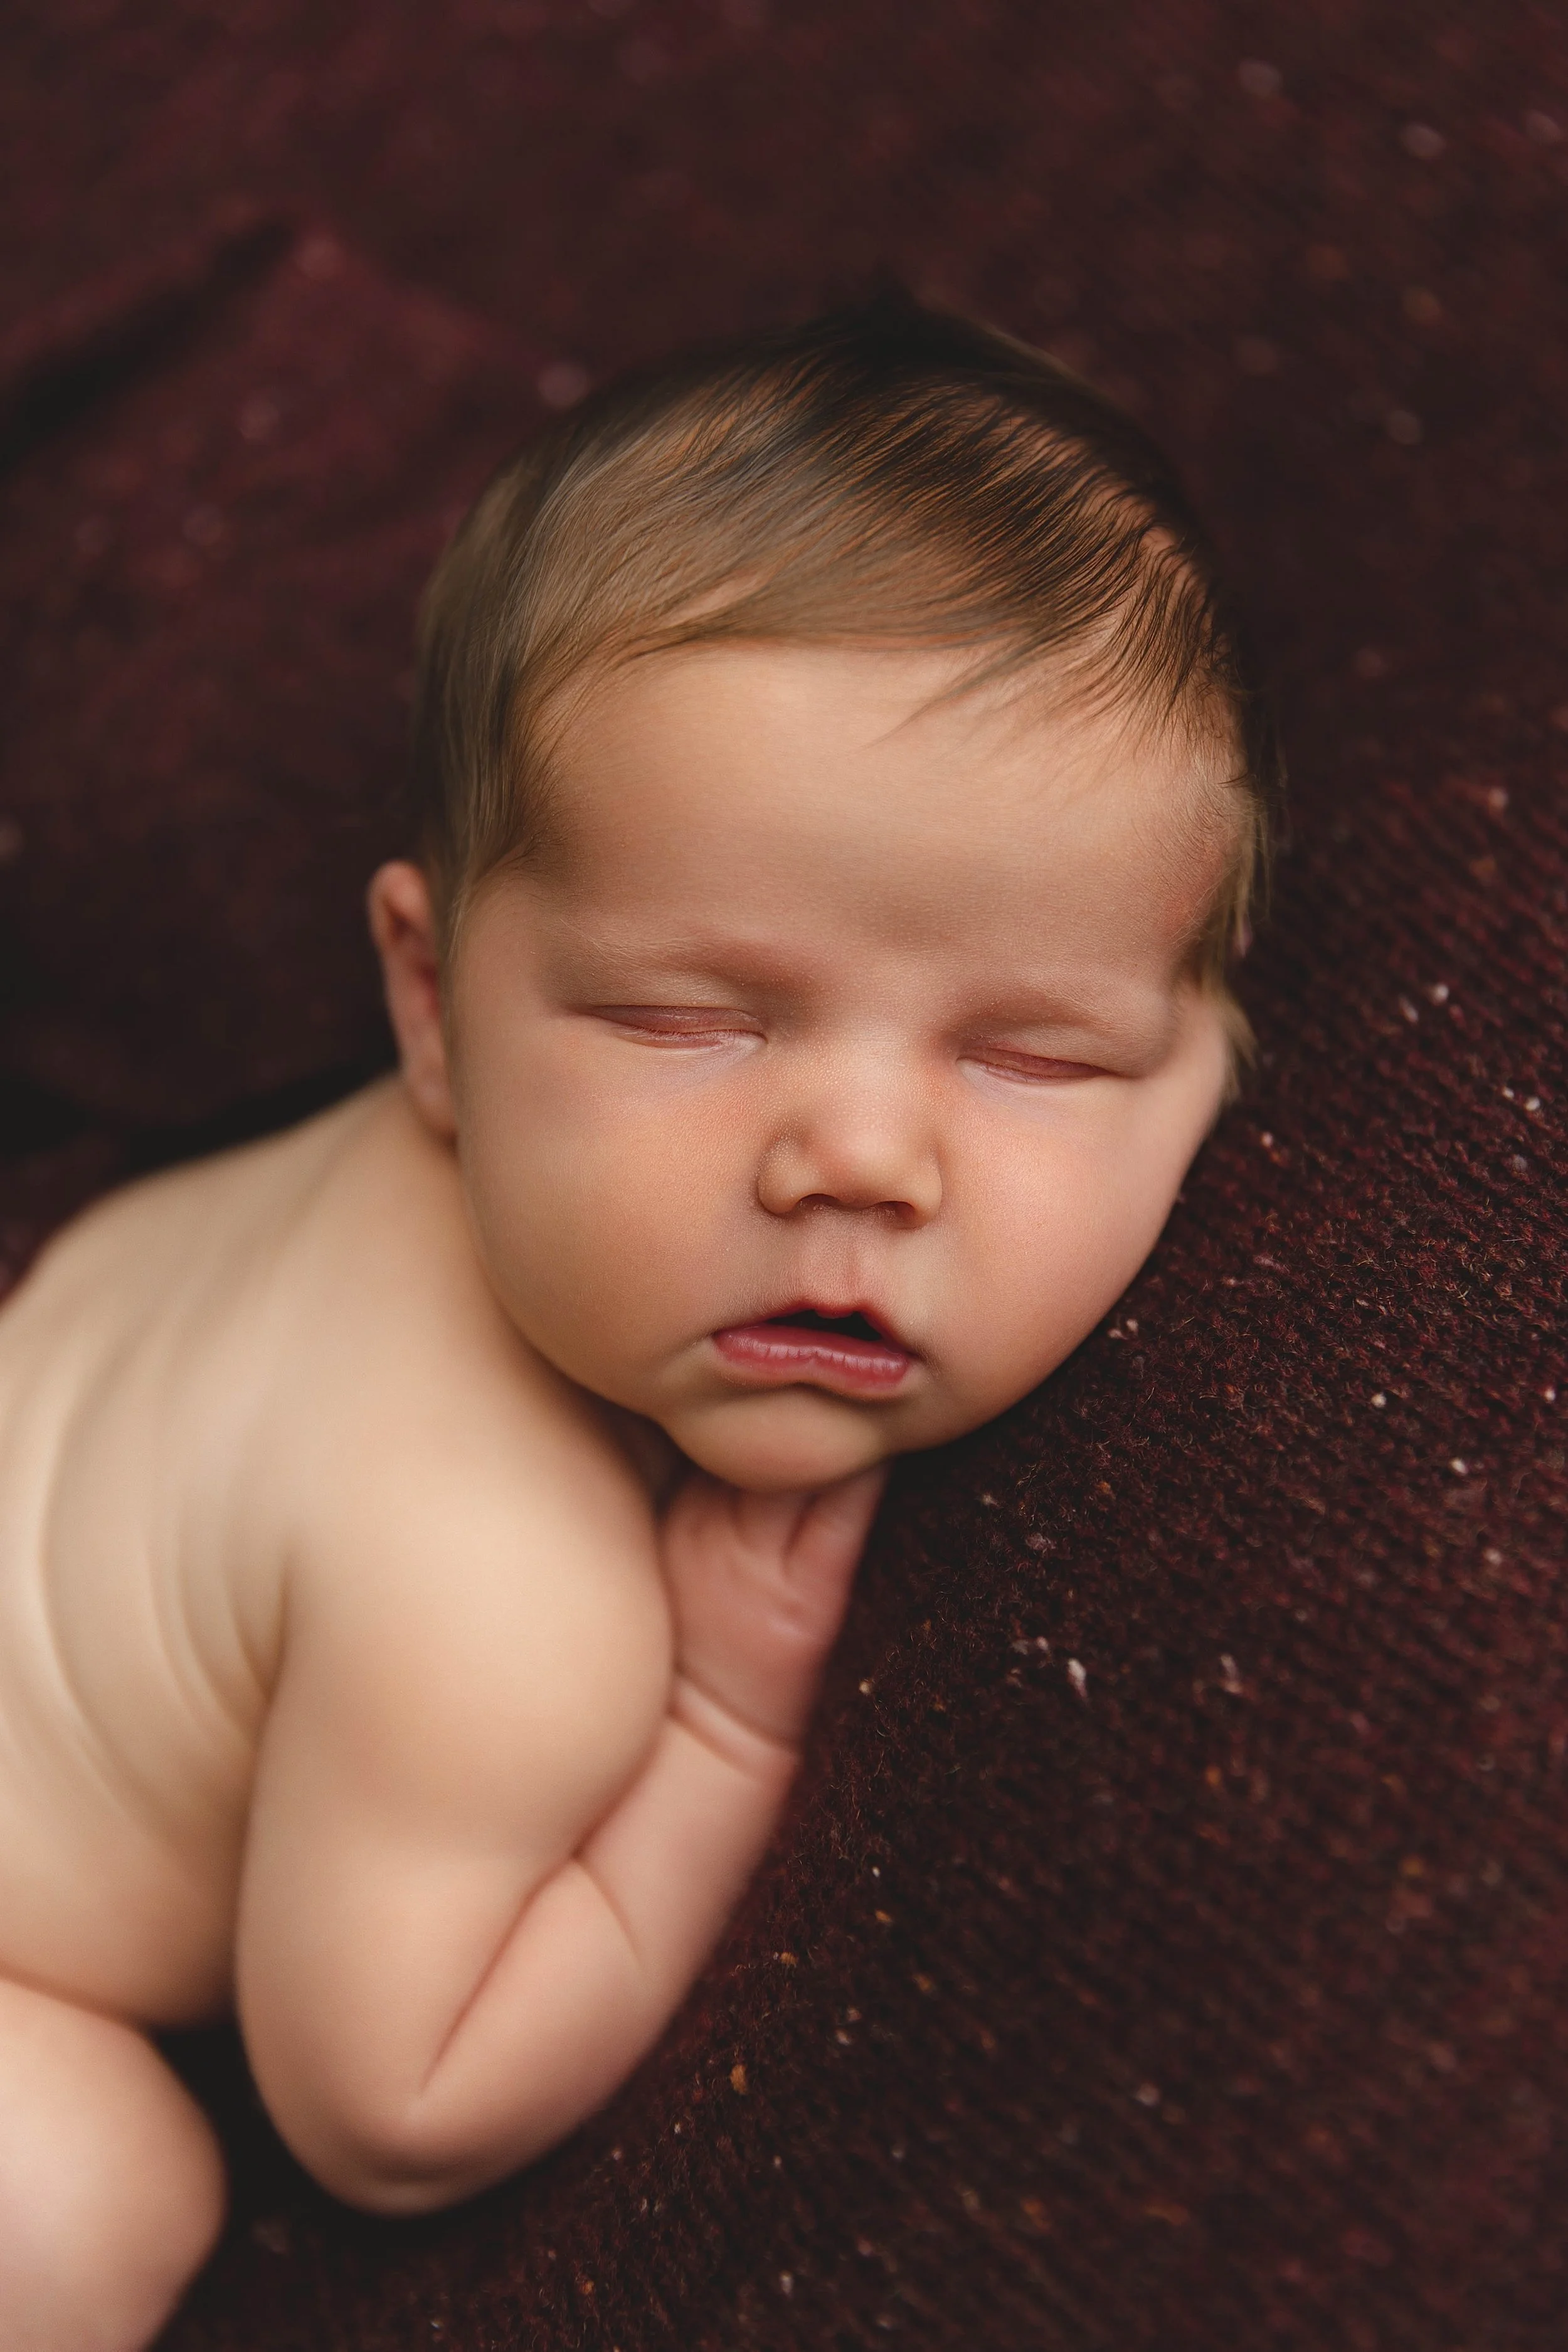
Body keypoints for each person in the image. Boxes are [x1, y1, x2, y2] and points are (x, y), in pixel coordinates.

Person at [0, 294, 1281, 2350]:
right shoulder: (492, 1585)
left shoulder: (413, 1157)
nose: (859, 1154)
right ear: (431, 1001)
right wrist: (717, 1729)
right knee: (84, 2192)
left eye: (1035, 1056)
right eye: (688, 1021)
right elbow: (389, 2107)